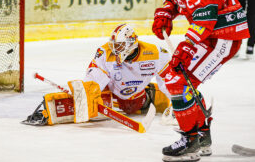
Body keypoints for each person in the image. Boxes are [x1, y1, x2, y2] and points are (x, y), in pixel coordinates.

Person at [153, 0, 250, 162]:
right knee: (178, 78)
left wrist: (186, 46)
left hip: (223, 36)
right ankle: (201, 135)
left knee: (178, 79)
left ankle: (190, 141)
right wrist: (166, 12)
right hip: (212, 35)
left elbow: (206, 15)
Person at [24, 24, 172, 126]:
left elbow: (170, 81)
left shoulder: (156, 54)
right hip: (113, 95)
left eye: (119, 45)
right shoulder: (105, 53)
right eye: (114, 45)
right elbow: (93, 81)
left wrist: (178, 102)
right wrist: (85, 95)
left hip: (140, 97)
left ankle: (158, 97)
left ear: (131, 43)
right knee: (93, 96)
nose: (114, 49)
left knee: (134, 106)